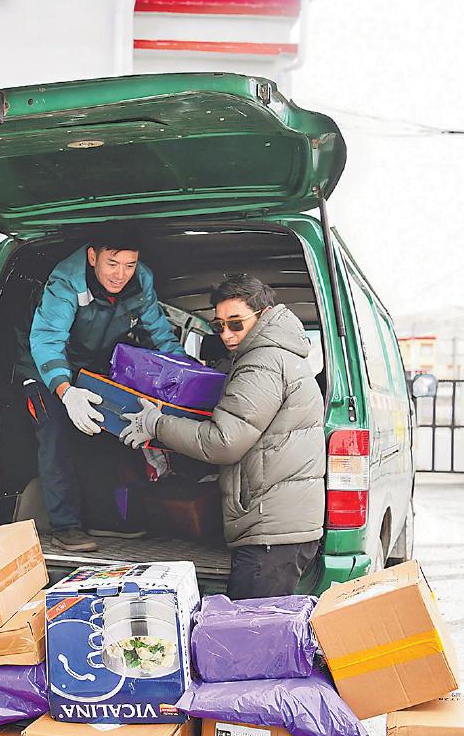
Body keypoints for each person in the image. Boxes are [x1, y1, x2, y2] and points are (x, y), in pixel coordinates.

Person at [119, 274, 325, 598]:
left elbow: (223, 442)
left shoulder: (262, 364)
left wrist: (157, 425)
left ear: (263, 314)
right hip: (279, 527)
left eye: (236, 323)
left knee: (247, 625)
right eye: (219, 326)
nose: (227, 334)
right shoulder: (278, 356)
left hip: (270, 533)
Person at [16, 224, 186, 553]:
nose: (121, 274)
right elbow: (47, 340)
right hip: (42, 365)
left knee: (102, 435)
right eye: (112, 263)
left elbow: (161, 336)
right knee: (55, 437)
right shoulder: (67, 279)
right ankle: (65, 527)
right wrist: (66, 392)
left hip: (91, 366)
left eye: (129, 264)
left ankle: (103, 519)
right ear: (93, 257)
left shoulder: (141, 281)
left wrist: (189, 377)